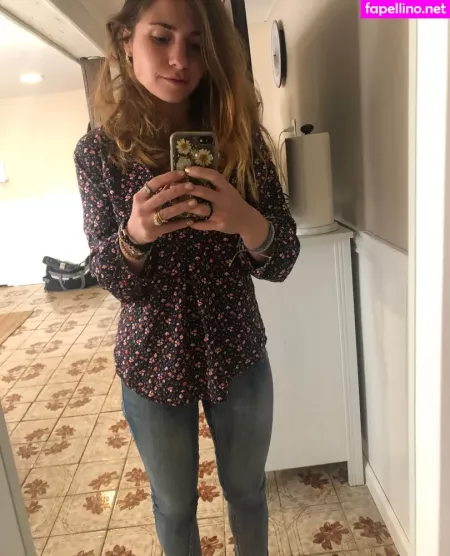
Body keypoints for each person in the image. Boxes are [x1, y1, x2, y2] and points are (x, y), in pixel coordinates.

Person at [74, 0, 300, 554]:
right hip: (152, 358)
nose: (180, 59)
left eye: (197, 45)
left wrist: (244, 220)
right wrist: (135, 234)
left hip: (236, 350)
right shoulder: (98, 153)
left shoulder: (239, 138)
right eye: (161, 38)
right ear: (126, 41)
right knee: (174, 507)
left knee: (247, 492)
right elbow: (113, 281)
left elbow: (284, 257)